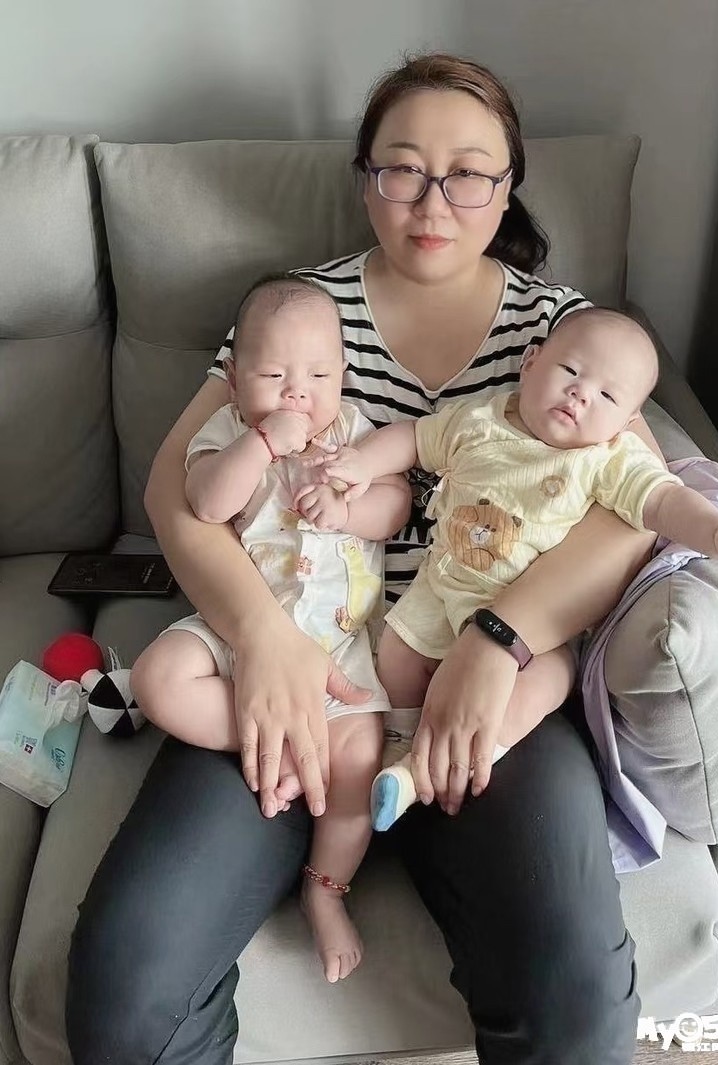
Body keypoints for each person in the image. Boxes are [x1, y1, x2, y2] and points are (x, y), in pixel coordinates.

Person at [67, 52, 662, 1065]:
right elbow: (176, 487)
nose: (432, 200)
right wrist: (262, 638)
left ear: (507, 183)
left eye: (466, 173)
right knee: (125, 998)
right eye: (402, 168)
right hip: (297, 661)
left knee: (573, 1002)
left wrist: (501, 639)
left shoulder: (560, 330)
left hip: (474, 681)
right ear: (364, 177)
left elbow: (635, 509)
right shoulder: (302, 314)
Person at [309, 307, 718, 830]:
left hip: (531, 630)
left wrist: (716, 530)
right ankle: (398, 742)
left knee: (550, 680)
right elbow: (414, 438)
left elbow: (664, 501)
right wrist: (361, 463)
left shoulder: (607, 459)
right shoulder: (479, 420)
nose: (581, 394)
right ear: (531, 363)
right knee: (397, 654)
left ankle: (429, 770)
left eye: (607, 397)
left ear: (627, 421)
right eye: (571, 371)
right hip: (441, 590)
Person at [130, 275, 409, 982]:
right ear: (233, 380)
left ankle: (325, 891)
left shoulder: (351, 434)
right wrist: (259, 443)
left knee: (358, 761)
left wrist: (349, 507)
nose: (297, 395)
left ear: (342, 375)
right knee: (157, 678)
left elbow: (397, 505)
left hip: (338, 644)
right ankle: (280, 745)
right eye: (274, 377)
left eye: (317, 376)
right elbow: (203, 502)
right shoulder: (226, 431)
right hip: (236, 632)